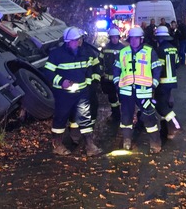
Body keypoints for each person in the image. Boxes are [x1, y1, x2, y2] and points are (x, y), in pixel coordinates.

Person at [43, 27, 102, 156]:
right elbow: (48, 72)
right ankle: (57, 145)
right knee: (61, 118)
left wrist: (88, 84)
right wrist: (61, 81)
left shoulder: (84, 53)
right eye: (76, 40)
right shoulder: (57, 54)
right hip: (64, 94)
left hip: (82, 93)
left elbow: (89, 70)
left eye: (80, 39)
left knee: (85, 118)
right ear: (68, 41)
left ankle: (89, 145)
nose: (79, 42)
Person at [113, 26, 163, 153]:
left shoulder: (149, 51)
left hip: (144, 92)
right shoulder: (123, 52)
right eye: (132, 38)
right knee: (126, 117)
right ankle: (127, 140)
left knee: (149, 116)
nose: (134, 41)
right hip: (126, 91)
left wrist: (154, 84)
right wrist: (117, 82)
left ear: (141, 39)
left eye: (136, 38)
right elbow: (116, 68)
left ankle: (155, 143)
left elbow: (157, 68)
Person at [154, 25, 182, 139]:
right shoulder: (173, 48)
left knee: (160, 106)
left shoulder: (159, 50)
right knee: (164, 103)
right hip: (171, 82)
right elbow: (177, 64)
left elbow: (158, 68)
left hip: (162, 81)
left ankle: (174, 125)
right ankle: (166, 131)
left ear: (160, 38)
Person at [99, 27, 126, 121]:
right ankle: (115, 115)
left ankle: (125, 115)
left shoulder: (123, 49)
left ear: (119, 37)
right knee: (112, 99)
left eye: (116, 37)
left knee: (123, 98)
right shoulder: (105, 48)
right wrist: (101, 74)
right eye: (112, 37)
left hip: (120, 79)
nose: (114, 39)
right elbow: (101, 61)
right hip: (108, 79)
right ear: (110, 38)